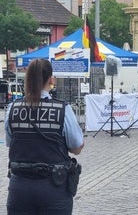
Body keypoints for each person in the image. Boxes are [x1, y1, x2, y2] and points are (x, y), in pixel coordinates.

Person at [5, 59, 84, 215]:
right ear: (51, 79)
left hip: (19, 187)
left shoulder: (13, 109)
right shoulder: (63, 109)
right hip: (54, 187)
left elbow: (10, 142)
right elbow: (76, 147)